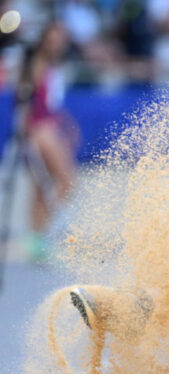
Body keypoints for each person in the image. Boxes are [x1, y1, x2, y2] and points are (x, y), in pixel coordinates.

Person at [17, 21, 78, 261]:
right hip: (40, 131)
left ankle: (36, 239)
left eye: (60, 40)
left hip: (48, 127)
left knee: (42, 188)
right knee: (67, 181)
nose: (57, 45)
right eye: (52, 40)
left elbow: (51, 103)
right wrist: (27, 135)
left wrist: (66, 123)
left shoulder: (53, 66)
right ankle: (42, 235)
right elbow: (26, 103)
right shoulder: (37, 65)